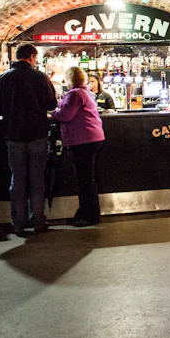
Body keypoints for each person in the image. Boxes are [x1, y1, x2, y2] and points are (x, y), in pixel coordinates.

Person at [0, 44, 57, 235]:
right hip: (38, 135)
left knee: (17, 179)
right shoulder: (40, 77)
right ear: (32, 57)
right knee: (37, 178)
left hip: (13, 135)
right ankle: (38, 221)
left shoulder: (2, 78)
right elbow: (53, 103)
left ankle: (18, 222)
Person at [52, 67, 105, 226]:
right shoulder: (85, 92)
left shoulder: (75, 94)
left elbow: (65, 115)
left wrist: (52, 113)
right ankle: (86, 213)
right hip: (91, 138)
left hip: (83, 140)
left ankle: (89, 216)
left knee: (84, 180)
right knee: (87, 179)